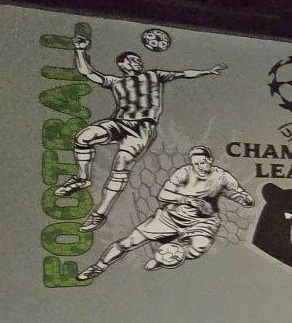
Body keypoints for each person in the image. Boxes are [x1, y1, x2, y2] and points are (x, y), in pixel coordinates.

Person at [53, 23, 226, 230]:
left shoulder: (153, 75)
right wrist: (80, 50)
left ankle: (100, 214)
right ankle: (82, 178)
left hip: (142, 128)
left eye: (139, 60)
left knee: (122, 163)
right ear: (123, 64)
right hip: (120, 122)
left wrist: (208, 71)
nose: (138, 62)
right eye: (133, 60)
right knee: (83, 137)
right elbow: (87, 72)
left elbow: (184, 73)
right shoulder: (115, 82)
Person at [77, 146, 252, 280]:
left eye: (202, 162)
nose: (199, 166)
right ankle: (99, 266)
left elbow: (236, 192)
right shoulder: (184, 173)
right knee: (129, 242)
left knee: (200, 246)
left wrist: (244, 199)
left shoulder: (222, 176)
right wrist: (187, 199)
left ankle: (165, 257)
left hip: (202, 221)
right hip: (170, 217)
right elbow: (163, 195)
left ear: (210, 160)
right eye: (195, 164)